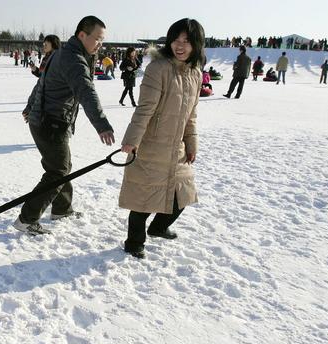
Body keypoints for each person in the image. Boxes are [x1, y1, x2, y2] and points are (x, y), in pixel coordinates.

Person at [15, 15, 115, 235]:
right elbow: (87, 92)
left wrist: (30, 107)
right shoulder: (74, 60)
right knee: (58, 171)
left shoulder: (62, 53)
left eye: (102, 40)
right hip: (50, 123)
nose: (100, 44)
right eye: (97, 39)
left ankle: (61, 208)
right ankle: (27, 219)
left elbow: (41, 82)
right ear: (82, 35)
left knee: (62, 166)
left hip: (45, 120)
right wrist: (102, 124)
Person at [119, 18, 205, 259]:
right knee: (143, 199)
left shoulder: (196, 73)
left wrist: (191, 142)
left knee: (183, 194)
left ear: (196, 45)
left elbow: (192, 114)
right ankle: (134, 242)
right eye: (176, 40)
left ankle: (159, 228)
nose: (180, 46)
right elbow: (145, 108)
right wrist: (132, 140)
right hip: (151, 145)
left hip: (177, 148)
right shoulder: (158, 69)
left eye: (186, 41)